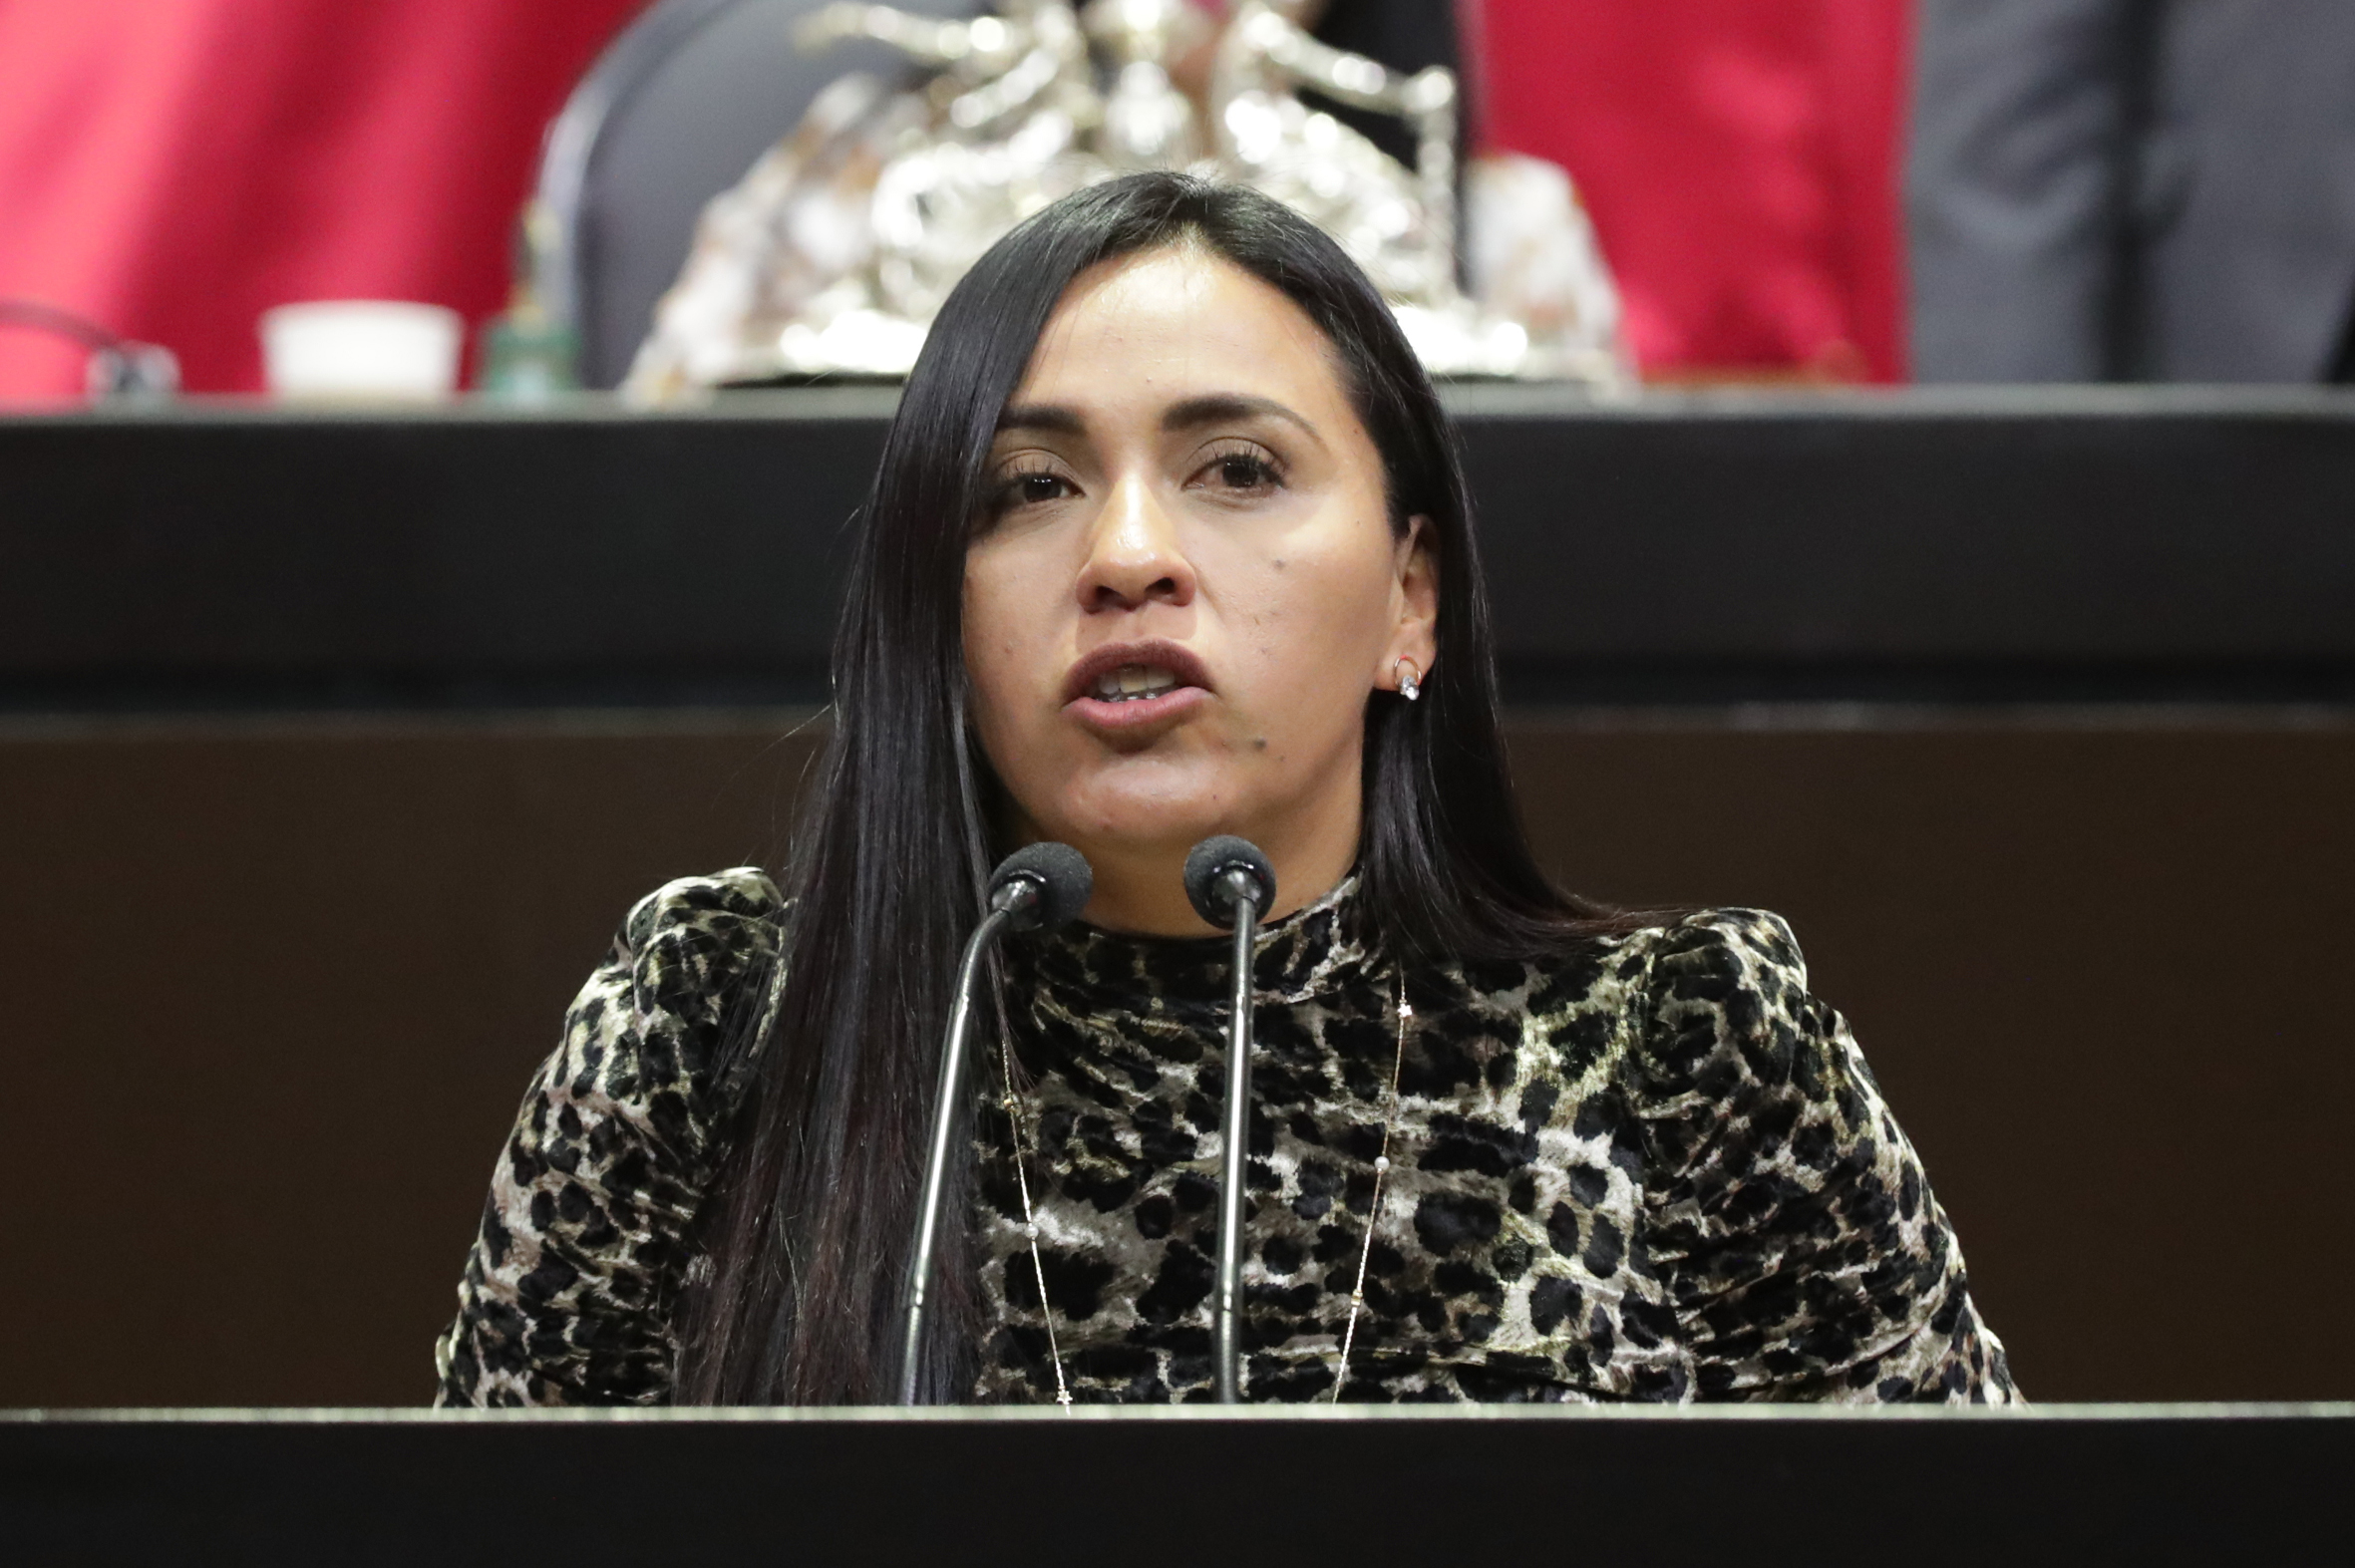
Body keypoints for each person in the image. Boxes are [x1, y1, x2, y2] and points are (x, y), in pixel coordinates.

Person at [436, 171, 2017, 1408]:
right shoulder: (719, 1032)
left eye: (1238, 470)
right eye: (1028, 487)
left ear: (1410, 597)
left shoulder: (1679, 1046)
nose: (1127, 554)